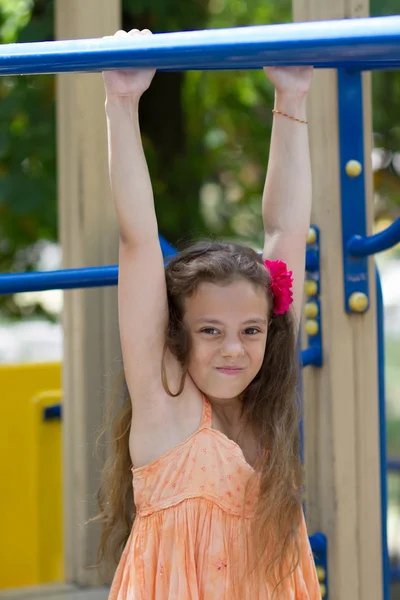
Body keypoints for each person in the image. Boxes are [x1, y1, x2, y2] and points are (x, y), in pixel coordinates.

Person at [97, 27, 321, 600]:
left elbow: (286, 229)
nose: (234, 348)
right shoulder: (164, 400)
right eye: (210, 331)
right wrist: (121, 102)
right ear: (177, 335)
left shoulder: (264, 401)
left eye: (250, 330)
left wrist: (291, 98)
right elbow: (138, 241)